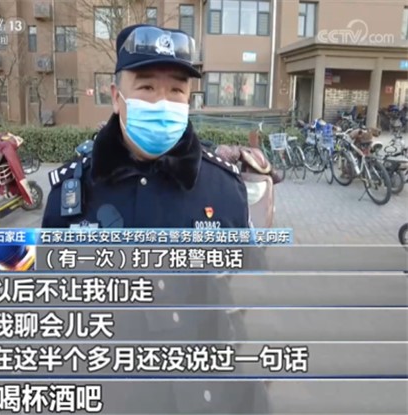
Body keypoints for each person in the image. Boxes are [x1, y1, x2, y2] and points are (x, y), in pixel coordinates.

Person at [42, 24, 271, 413]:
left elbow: (250, 308)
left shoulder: (223, 190)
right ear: (116, 97)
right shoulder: (72, 195)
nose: (162, 102)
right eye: (146, 87)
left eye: (176, 90)